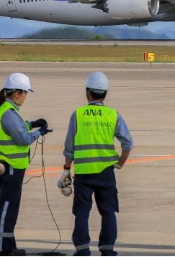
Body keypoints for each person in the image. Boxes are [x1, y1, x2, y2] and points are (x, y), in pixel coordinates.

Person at [57, 71, 133, 257]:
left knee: (82, 211)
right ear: (105, 92)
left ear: (87, 91)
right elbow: (128, 144)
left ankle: (82, 250)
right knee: (108, 211)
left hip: (83, 173)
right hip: (106, 172)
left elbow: (69, 147)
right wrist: (120, 164)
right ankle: (107, 249)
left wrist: (66, 170)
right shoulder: (113, 115)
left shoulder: (78, 114)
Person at [0, 72, 52, 257]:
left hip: (8, 167)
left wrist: (32, 124)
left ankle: (9, 245)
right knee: (7, 207)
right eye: (25, 93)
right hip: (10, 167)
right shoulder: (8, 113)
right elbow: (23, 138)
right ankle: (2, 248)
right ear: (17, 93)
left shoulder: (5, 109)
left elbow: (19, 126)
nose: (26, 97)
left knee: (11, 207)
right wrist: (40, 132)